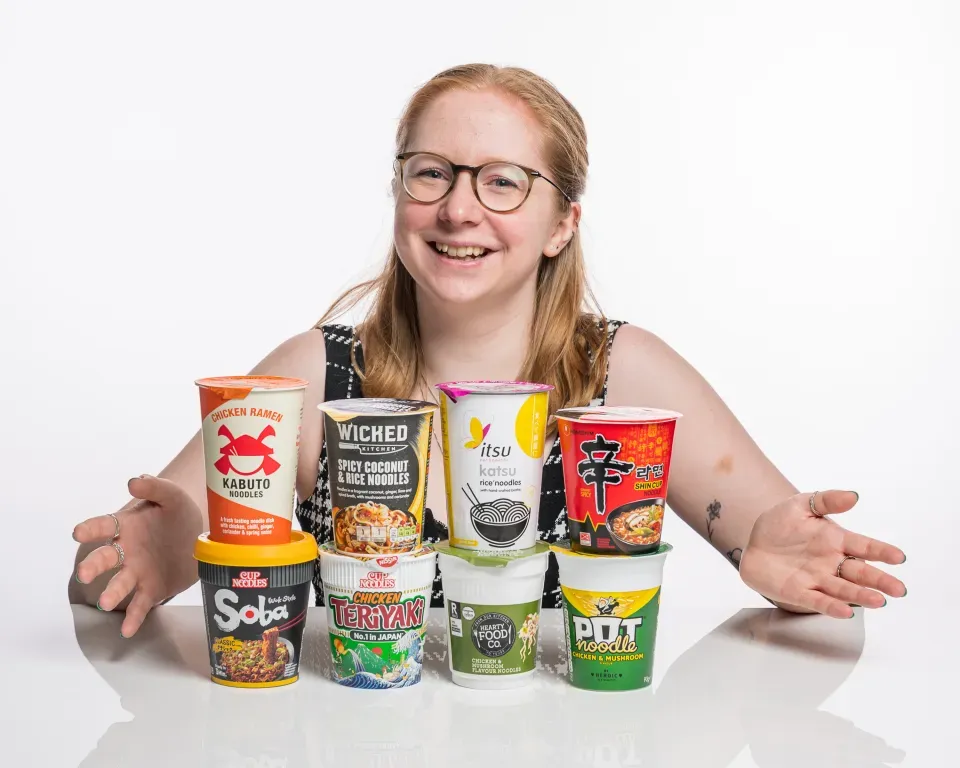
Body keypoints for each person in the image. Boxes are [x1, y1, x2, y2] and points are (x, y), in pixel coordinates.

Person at [69, 63, 907, 639]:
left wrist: (775, 558)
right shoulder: (312, 377)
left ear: (563, 222)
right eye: (431, 172)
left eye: (503, 181)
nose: (458, 209)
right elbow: (111, 573)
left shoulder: (623, 375)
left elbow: (775, 542)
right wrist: (154, 552)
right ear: (399, 191)